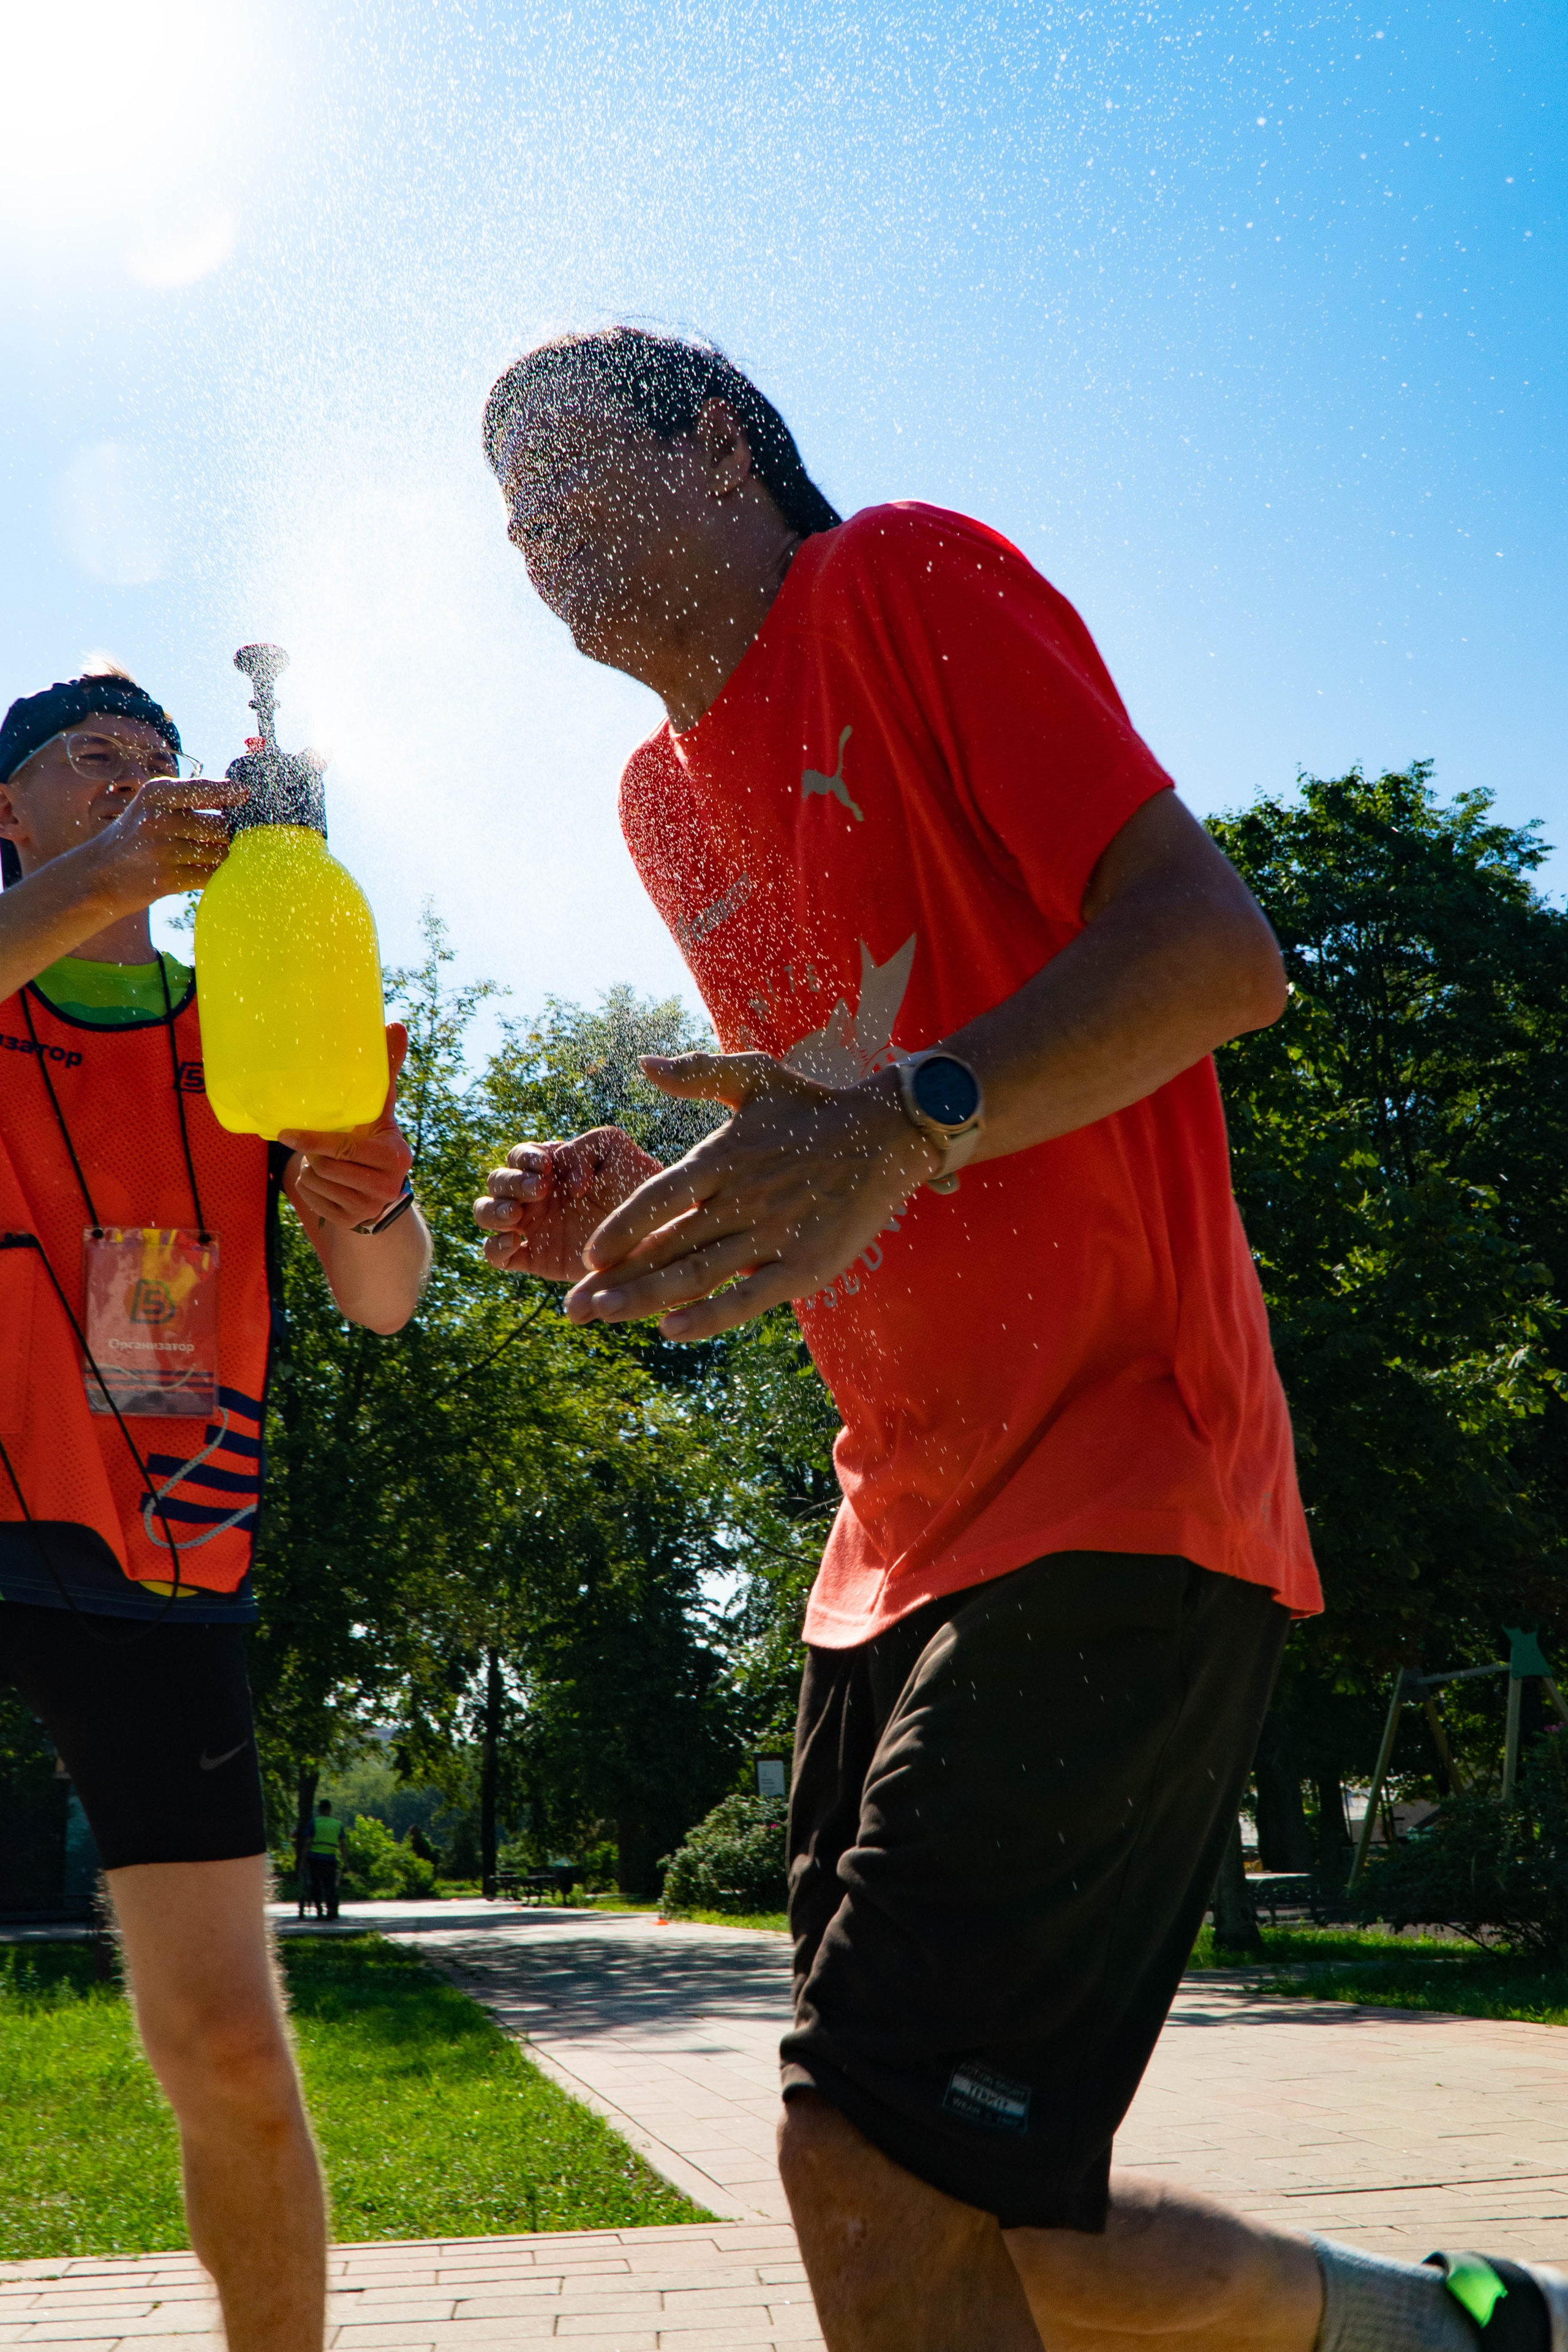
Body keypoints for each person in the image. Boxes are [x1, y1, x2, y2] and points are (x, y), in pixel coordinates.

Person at [472, 328, 1567, 2352]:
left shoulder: (898, 581)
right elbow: (846, 1130)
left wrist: (896, 1121)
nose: (522, 535)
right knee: (1003, 2229)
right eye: (502, 510)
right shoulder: (658, 798)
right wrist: (667, 1199)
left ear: (717, 445)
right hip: (884, 1549)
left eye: (550, 476)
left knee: (867, 2166)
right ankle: (1463, 2329)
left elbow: (1215, 955)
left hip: (1123, 1488)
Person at [0, 668, 431, 2352]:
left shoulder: (254, 1026)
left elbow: (384, 1296)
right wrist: (101, 881)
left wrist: (380, 1195)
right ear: (10, 816)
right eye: (93, 761)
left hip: (163, 1543)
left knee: (235, 2057)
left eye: (161, 765)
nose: (139, 779)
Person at [306, 1801, 343, 1921]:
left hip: (315, 1858)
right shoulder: (338, 1824)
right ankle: (331, 1910)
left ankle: (319, 1911)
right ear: (330, 1810)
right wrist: (345, 1860)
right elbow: (343, 1844)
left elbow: (308, 1842)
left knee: (316, 1885)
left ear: (320, 1810)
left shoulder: (314, 1823)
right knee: (330, 1886)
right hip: (330, 1859)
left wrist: (303, 1858)